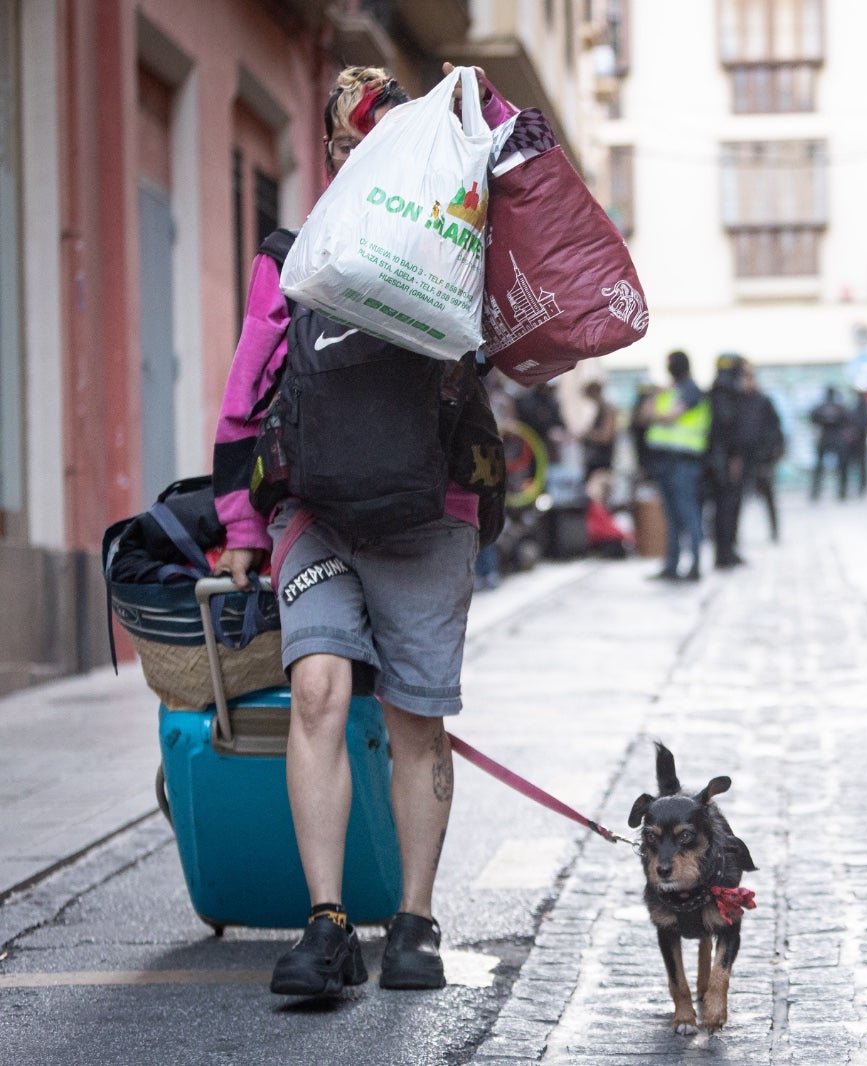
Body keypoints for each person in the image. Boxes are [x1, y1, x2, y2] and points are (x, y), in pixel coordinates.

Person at [211, 63, 518, 997]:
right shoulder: (294, 255)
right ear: (334, 154)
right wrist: (239, 524)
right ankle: (328, 923)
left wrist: (464, 111)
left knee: (417, 721)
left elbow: (524, 160)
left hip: (431, 511)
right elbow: (245, 393)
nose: (359, 156)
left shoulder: (462, 241)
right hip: (316, 509)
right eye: (349, 142)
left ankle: (415, 923)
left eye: (382, 139)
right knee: (317, 691)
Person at [644, 350, 710, 581]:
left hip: (684, 463)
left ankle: (695, 565)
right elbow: (645, 415)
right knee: (671, 516)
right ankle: (671, 566)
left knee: (688, 514)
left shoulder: (691, 391)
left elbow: (668, 417)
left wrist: (656, 409)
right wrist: (654, 397)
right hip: (665, 461)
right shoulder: (669, 392)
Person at [706, 354, 749, 569]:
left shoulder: (718, 389)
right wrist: (734, 456)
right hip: (723, 460)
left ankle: (726, 551)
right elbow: (728, 425)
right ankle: (725, 553)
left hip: (719, 458)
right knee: (727, 508)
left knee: (725, 508)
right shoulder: (727, 391)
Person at [738, 365, 785, 542]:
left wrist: (774, 453)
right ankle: (735, 536)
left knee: (768, 496)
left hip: (763, 458)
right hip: (744, 458)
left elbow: (775, 428)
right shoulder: (738, 401)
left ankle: (774, 532)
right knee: (740, 498)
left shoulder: (763, 401)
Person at [808, 386, 851, 501]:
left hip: (829, 438)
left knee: (825, 468)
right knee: (826, 468)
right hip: (831, 438)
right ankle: (840, 492)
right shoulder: (838, 408)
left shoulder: (825, 408)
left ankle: (818, 493)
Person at [580, 380, 618, 503]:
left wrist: (587, 434)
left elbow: (605, 436)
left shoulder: (607, 410)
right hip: (595, 461)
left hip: (602, 462)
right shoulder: (600, 409)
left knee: (599, 498)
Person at [845, 389, 867, 496]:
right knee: (853, 465)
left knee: (861, 465)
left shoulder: (864, 407)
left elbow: (864, 423)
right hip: (853, 441)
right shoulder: (854, 407)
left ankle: (862, 487)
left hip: (861, 440)